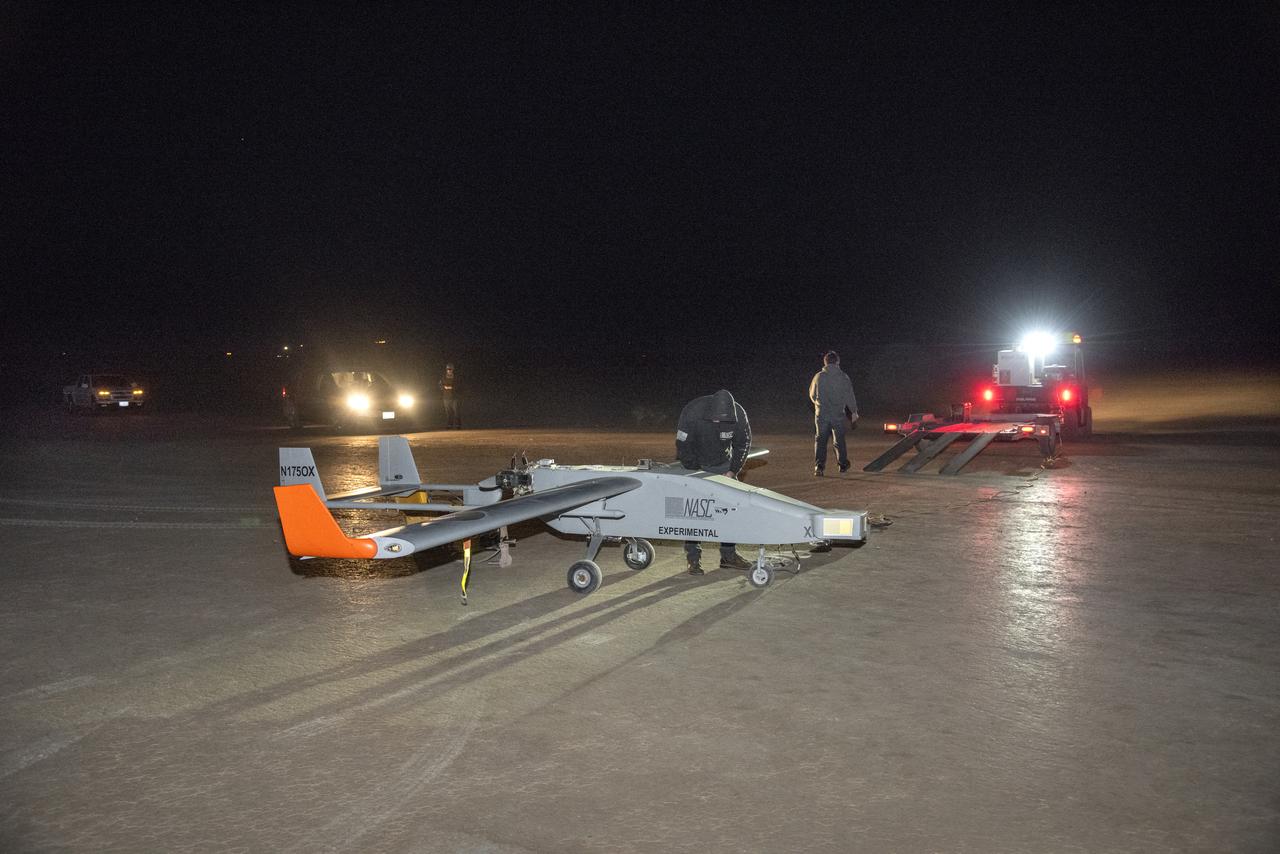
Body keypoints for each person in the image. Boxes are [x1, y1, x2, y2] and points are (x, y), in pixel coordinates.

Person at [675, 389, 753, 575]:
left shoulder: (739, 415)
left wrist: (733, 470)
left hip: (723, 465)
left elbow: (743, 444)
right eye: (715, 419)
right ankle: (693, 559)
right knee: (694, 512)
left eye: (723, 421)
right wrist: (695, 474)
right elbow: (683, 446)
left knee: (728, 511)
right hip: (695, 464)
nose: (718, 423)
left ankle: (728, 556)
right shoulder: (693, 411)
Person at [809, 350, 859, 476]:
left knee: (820, 440)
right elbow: (849, 396)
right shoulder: (843, 377)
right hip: (838, 414)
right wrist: (853, 411)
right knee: (839, 440)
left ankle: (819, 466)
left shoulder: (818, 377)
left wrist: (818, 405)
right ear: (837, 362)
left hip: (822, 414)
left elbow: (812, 394)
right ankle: (842, 465)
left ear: (825, 362)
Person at [439, 362, 460, 429]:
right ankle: (449, 425)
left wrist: (452, 387)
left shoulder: (456, 377)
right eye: (448, 369)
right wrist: (443, 388)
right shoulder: (443, 377)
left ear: (453, 369)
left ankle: (458, 425)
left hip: (454, 397)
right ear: (446, 369)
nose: (449, 370)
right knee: (448, 412)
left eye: (450, 369)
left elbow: (459, 385)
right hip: (446, 397)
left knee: (456, 411)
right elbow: (440, 385)